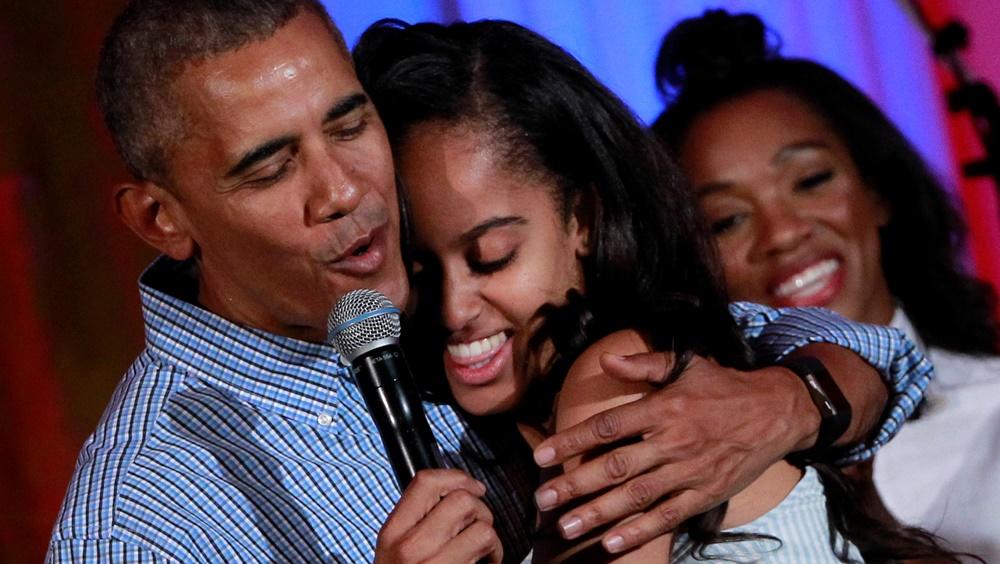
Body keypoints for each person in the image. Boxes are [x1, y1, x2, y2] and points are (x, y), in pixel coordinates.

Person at [46, 1, 929, 561]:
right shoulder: (138, 521)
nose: (345, 191)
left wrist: (787, 400)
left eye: (349, 124)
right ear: (160, 218)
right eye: (271, 167)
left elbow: (875, 351)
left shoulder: (435, 322)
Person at [354, 18, 959, 562]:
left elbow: (885, 353)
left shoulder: (617, 377)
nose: (453, 308)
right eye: (421, 271)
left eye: (492, 258)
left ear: (583, 220)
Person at [651, 9, 1000, 561]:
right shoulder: (689, 478)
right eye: (726, 220)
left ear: (880, 192)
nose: (784, 234)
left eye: (810, 181)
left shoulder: (992, 411)